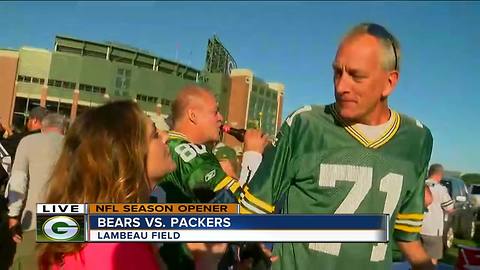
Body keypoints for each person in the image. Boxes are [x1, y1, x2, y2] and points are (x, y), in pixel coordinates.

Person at [235, 23, 434, 270]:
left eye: (356, 75)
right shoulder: (306, 125)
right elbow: (253, 211)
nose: (341, 86)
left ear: (389, 82)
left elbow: (408, 237)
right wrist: (251, 245)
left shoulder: (416, 139)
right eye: (337, 72)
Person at [37, 101, 176, 270]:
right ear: (127, 156)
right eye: (154, 134)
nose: (166, 136)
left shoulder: (80, 227)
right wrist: (206, 261)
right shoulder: (120, 247)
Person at [157, 85, 269, 270]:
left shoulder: (167, 147)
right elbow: (241, 209)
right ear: (193, 115)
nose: (221, 118)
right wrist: (253, 155)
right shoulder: (193, 156)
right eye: (215, 111)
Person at [6, 113, 67, 269]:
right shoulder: (77, 146)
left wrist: (13, 215)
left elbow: (19, 181)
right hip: (68, 222)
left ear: (43, 127)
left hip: (34, 220)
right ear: (64, 129)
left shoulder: (28, 142)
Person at [421, 164, 454, 265]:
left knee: (414, 259)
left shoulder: (420, 186)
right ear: (440, 175)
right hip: (433, 231)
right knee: (432, 260)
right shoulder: (441, 189)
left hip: (416, 228)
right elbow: (449, 208)